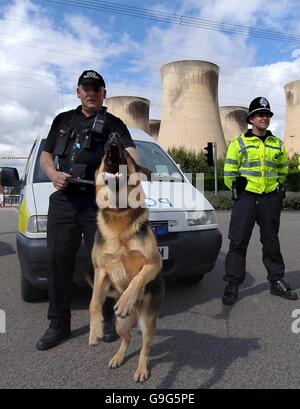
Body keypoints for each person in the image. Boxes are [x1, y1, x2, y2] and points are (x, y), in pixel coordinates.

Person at [36, 70, 138, 350]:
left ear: (104, 93)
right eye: (86, 88)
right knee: (58, 261)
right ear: (78, 92)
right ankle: (58, 324)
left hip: (99, 202)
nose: (91, 93)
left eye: (97, 88)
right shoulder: (63, 120)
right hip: (64, 198)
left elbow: (133, 157)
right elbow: (46, 155)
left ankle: (107, 318)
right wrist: (53, 173)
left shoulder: (114, 124)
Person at [223, 96, 298, 305]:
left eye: (267, 114)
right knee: (238, 241)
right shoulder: (239, 143)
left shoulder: (277, 144)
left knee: (271, 241)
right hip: (246, 198)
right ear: (250, 119)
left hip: (269, 199)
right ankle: (232, 284)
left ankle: (277, 281)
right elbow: (229, 171)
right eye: (259, 115)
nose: (264, 118)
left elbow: (283, 169)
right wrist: (238, 189)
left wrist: (278, 189)